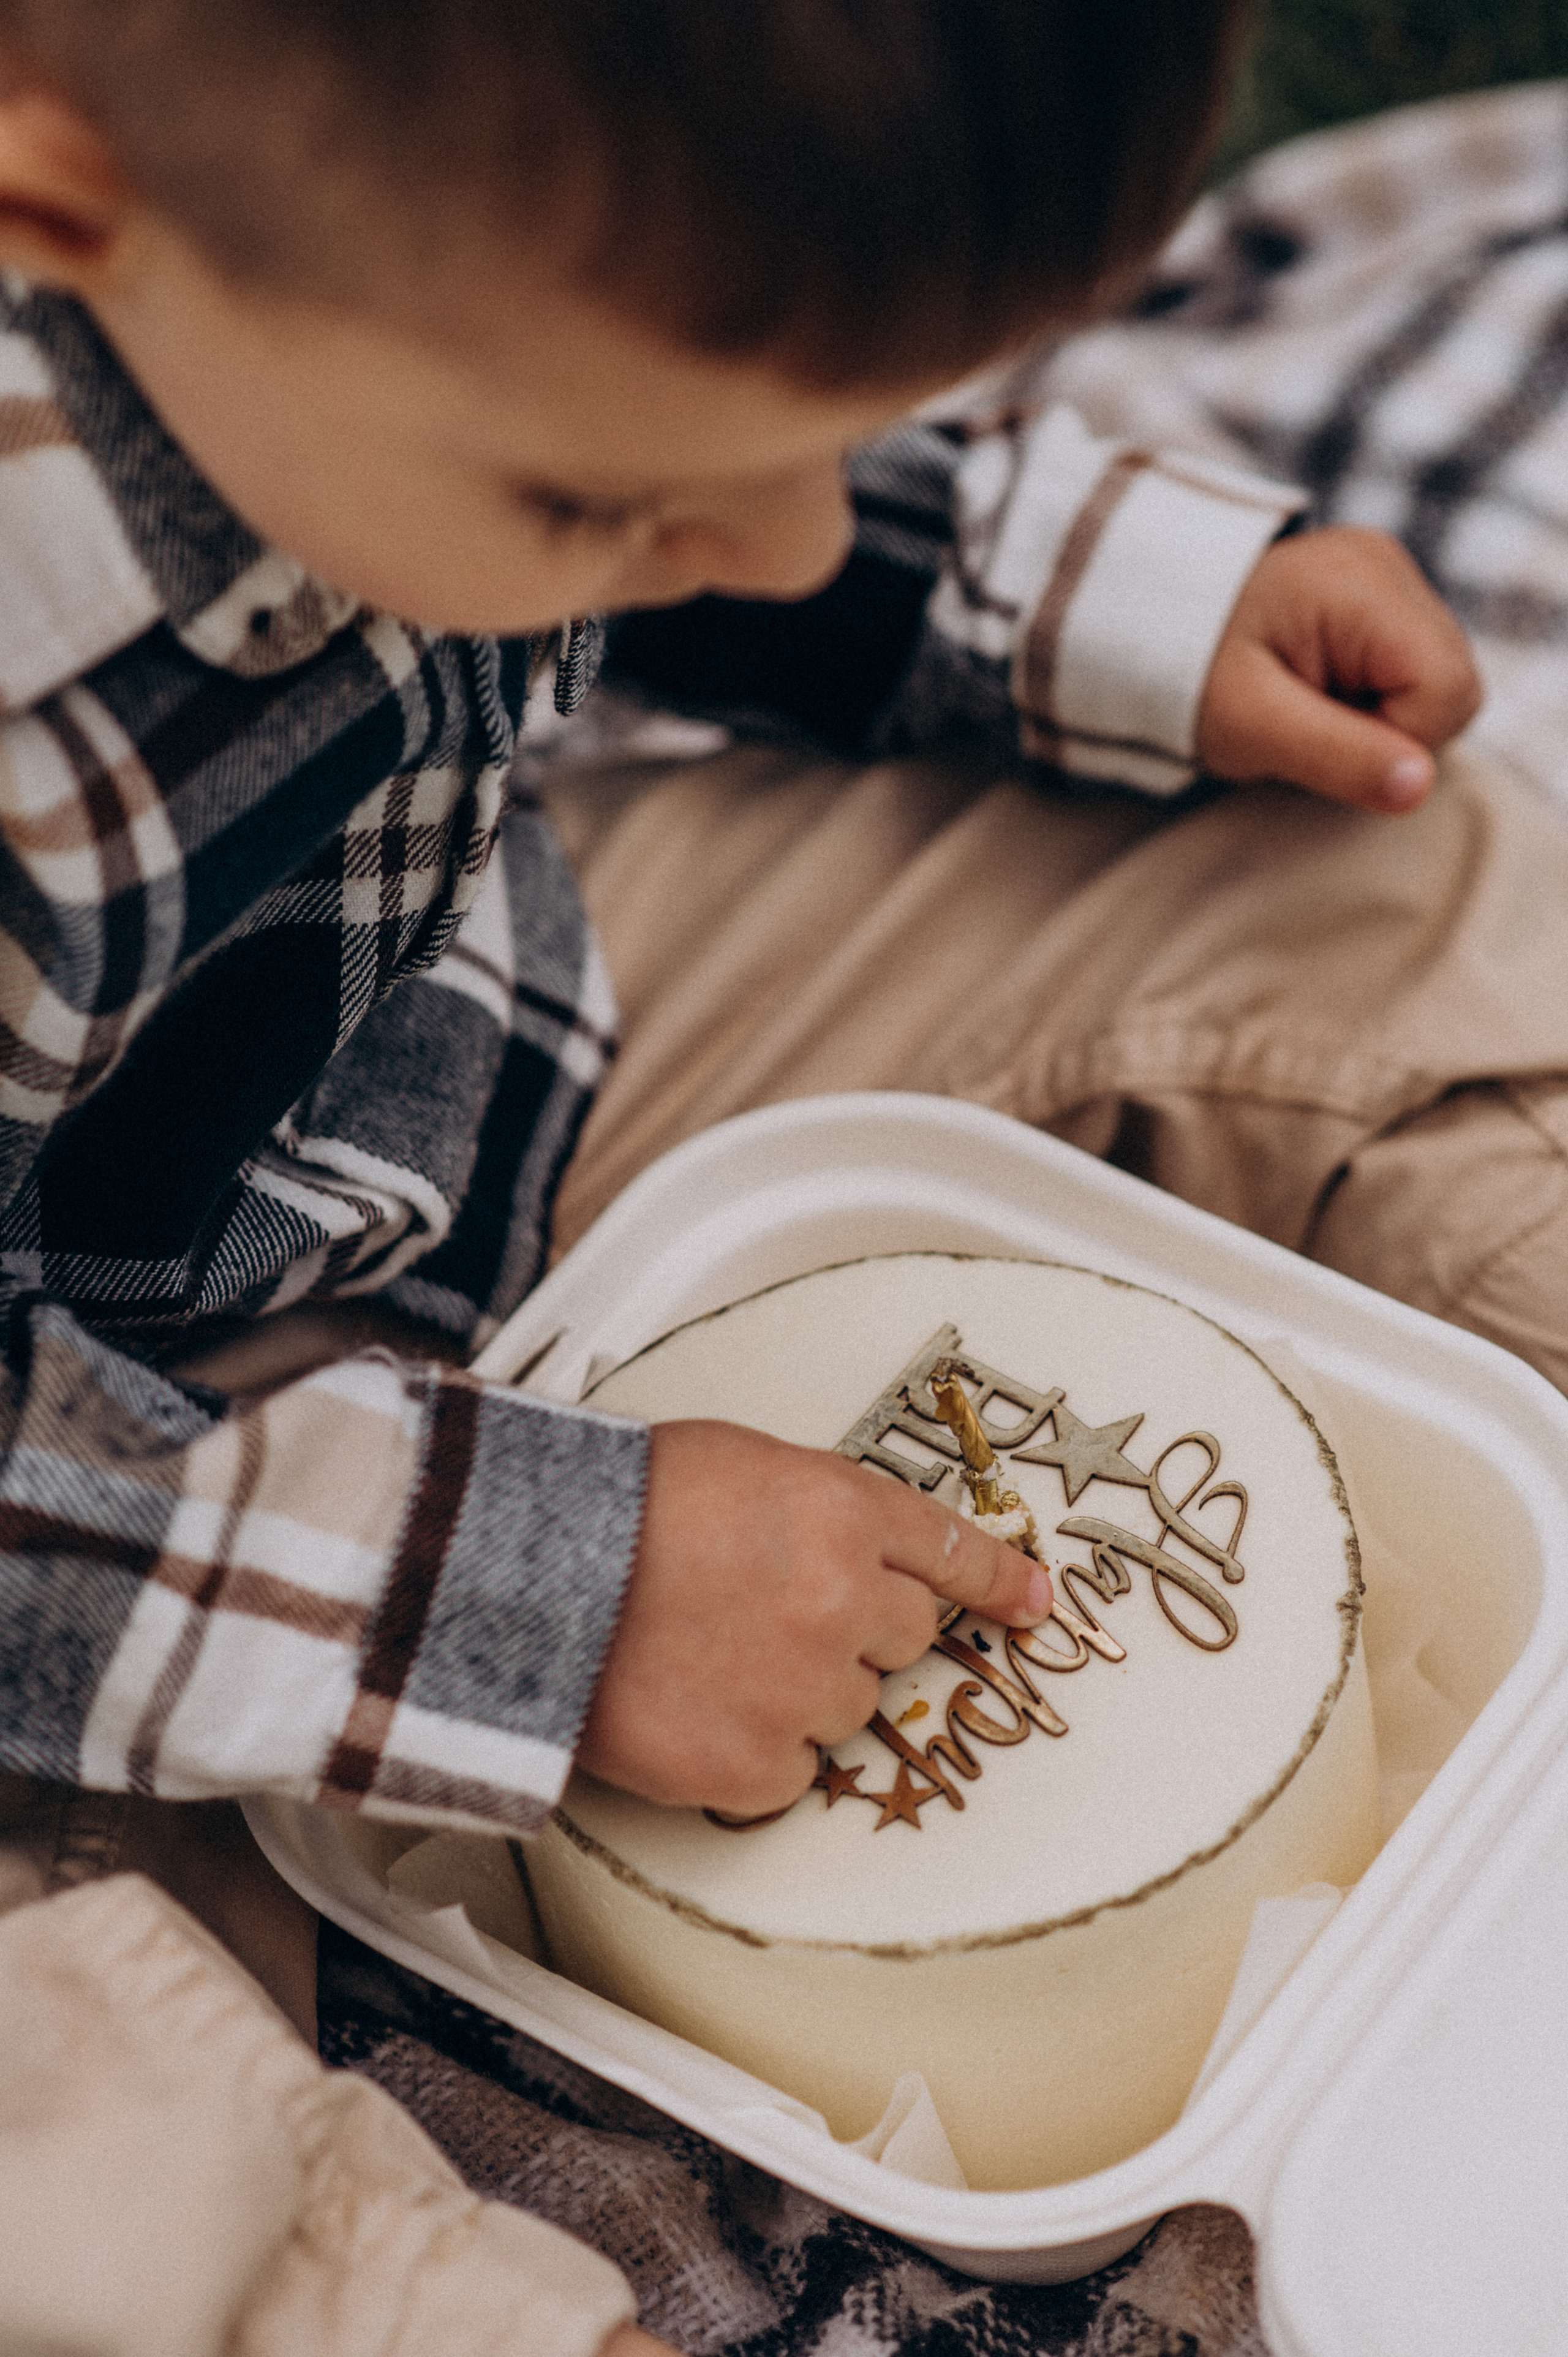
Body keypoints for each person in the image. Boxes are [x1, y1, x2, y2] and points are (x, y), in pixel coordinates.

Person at [0, 2, 1559, 2348]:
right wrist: (527, 1601)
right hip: (99, 1569)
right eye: (598, 507)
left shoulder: (383, 299)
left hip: (452, 1073)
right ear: (55, 220)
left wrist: (1041, 598)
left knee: (1379, 900)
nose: (783, 532)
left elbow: (694, 440)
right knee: (97, 2158)